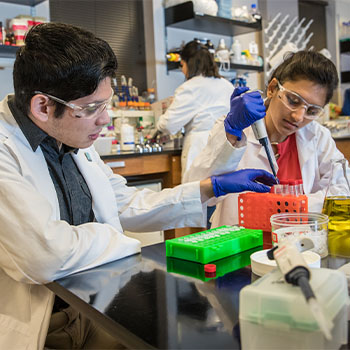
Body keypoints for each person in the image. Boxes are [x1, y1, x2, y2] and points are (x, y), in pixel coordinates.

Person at [0, 22, 276, 349]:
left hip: (94, 304)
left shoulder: (69, 139)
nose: (105, 119)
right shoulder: (6, 150)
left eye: (106, 103)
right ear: (43, 107)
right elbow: (44, 256)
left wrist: (208, 188)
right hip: (42, 323)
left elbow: (125, 205)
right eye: (92, 108)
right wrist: (119, 238)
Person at [184, 50, 350, 228]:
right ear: (272, 89)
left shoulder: (318, 137)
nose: (298, 117)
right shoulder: (236, 130)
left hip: (296, 246)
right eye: (293, 100)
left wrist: (288, 207)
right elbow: (193, 194)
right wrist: (230, 136)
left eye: (312, 111)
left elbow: (342, 190)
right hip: (240, 245)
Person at [156, 39, 234, 180]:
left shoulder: (190, 87)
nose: (182, 70)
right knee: (222, 197)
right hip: (227, 146)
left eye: (182, 65)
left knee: (197, 196)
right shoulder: (227, 85)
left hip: (200, 147)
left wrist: (160, 120)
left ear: (188, 63)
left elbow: (168, 125)